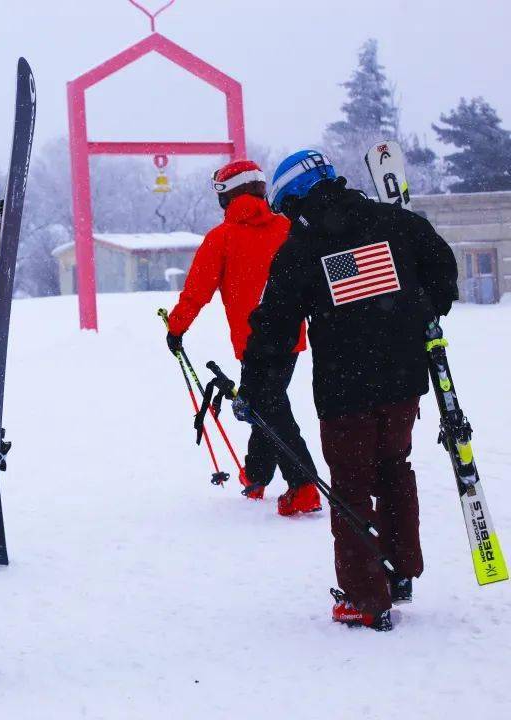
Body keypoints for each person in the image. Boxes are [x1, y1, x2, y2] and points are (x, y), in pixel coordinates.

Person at [238, 150, 458, 630]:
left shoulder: (301, 248)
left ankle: (365, 598)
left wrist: (253, 385)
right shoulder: (394, 221)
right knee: (394, 468)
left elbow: (273, 327)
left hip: (344, 389)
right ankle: (400, 571)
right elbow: (443, 269)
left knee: (353, 485)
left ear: (295, 198)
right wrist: (419, 311)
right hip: (403, 380)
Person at [166, 159, 321, 516]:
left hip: (253, 342)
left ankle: (303, 486)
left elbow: (196, 292)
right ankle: (257, 474)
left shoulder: (221, 238)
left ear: (228, 196)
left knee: (269, 407)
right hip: (291, 339)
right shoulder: (287, 227)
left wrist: (176, 329)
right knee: (264, 401)